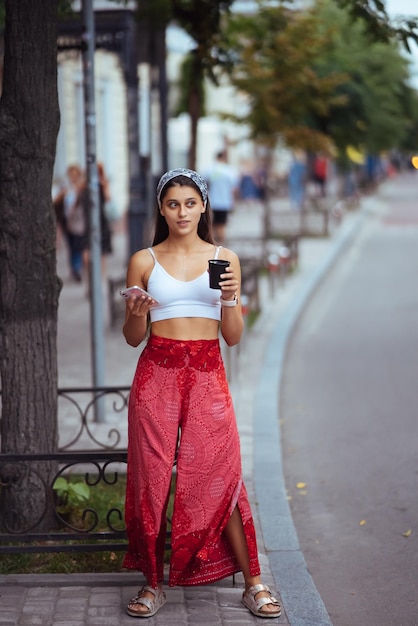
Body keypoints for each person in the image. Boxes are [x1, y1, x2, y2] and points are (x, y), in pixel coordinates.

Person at [122, 168, 282, 619]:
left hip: (208, 373)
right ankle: (153, 583)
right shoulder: (144, 261)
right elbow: (133, 337)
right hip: (157, 372)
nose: (182, 212)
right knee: (152, 480)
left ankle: (253, 582)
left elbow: (232, 338)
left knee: (221, 475)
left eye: (190, 203)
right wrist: (135, 312)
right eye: (173, 204)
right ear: (161, 209)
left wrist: (231, 298)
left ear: (204, 206)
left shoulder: (223, 258)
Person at [203, 150, 239, 244]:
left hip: (212, 201)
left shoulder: (210, 169)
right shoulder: (229, 171)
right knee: (222, 224)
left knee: (212, 223)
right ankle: (221, 244)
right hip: (224, 202)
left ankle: (212, 242)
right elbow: (234, 188)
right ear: (224, 158)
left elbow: (203, 183)